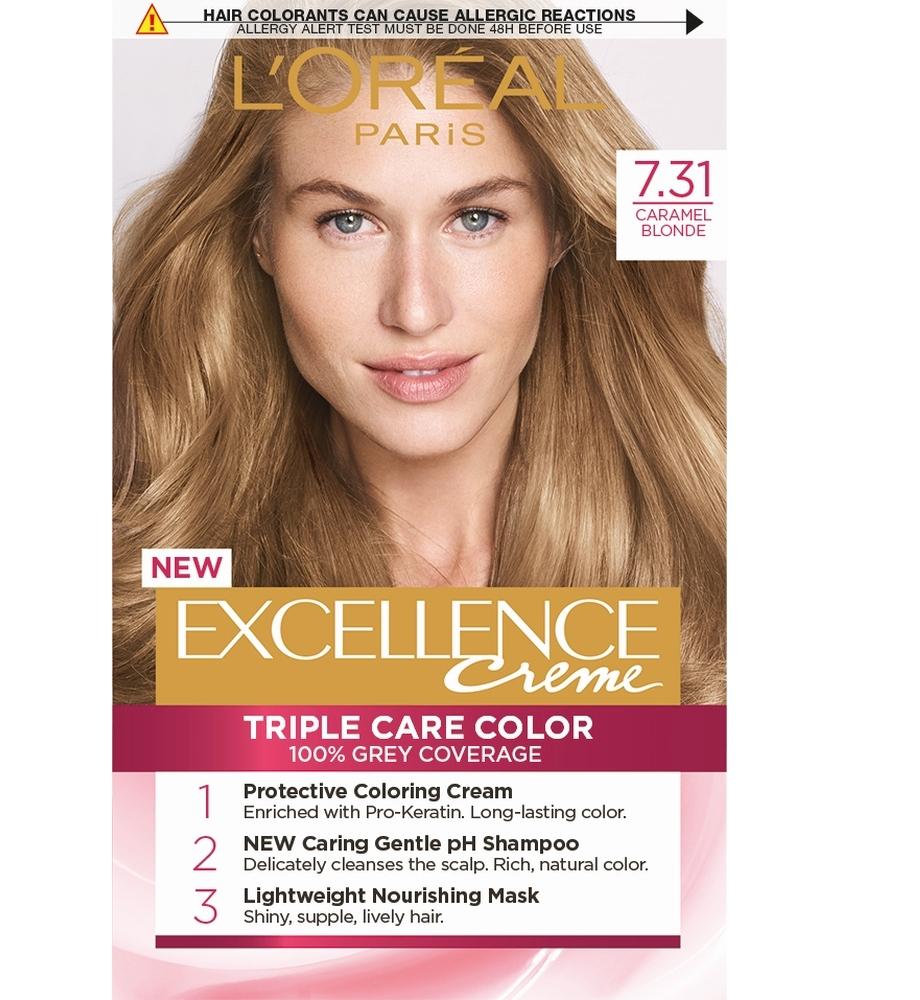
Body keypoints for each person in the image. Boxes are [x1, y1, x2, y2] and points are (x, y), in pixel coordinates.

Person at [113, 38, 725, 704]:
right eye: (348, 222)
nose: (415, 310)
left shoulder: (726, 561)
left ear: (560, 228)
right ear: (259, 236)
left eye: (475, 219)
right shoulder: (160, 586)